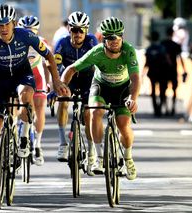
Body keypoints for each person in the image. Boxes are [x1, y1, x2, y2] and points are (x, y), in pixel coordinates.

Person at [0, 4, 69, 196]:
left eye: (6, 24)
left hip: (22, 76)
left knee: (26, 94)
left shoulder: (26, 35)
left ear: (13, 23)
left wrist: (56, 81)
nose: (3, 28)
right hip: (0, 80)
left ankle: (24, 137)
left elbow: (49, 56)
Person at [61, 17, 140, 180]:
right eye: (110, 37)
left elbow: (136, 78)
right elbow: (71, 69)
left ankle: (128, 158)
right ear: (103, 39)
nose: (115, 41)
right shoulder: (96, 53)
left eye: (118, 36)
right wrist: (61, 87)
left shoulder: (128, 50)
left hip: (122, 88)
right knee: (95, 112)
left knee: (123, 125)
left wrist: (133, 98)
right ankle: (99, 157)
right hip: (101, 86)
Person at [51, 11, 98, 175]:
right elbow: (56, 68)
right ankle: (63, 143)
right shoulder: (62, 43)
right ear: (69, 29)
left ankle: (92, 151)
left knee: (88, 114)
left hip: (88, 79)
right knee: (63, 100)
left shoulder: (92, 41)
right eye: (74, 30)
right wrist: (53, 89)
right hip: (69, 78)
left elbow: (99, 64)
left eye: (81, 30)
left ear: (86, 31)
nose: (77, 34)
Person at [17, 15, 51, 166]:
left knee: (39, 108)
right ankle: (20, 134)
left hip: (37, 77)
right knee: (23, 105)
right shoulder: (15, 42)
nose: (28, 34)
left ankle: (37, 144)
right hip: (20, 78)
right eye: (25, 30)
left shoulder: (41, 42)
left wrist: (48, 82)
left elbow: (47, 63)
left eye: (31, 31)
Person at [143, 31, 169, 117]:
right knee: (162, 90)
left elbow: (146, 62)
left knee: (153, 90)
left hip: (152, 72)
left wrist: (143, 72)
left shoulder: (149, 49)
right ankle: (160, 107)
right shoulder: (162, 48)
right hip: (162, 72)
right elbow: (166, 60)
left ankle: (155, 108)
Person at [161, 27, 186, 115]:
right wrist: (184, 69)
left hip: (164, 70)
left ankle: (166, 108)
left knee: (163, 89)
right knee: (174, 89)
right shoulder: (176, 45)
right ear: (173, 34)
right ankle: (173, 107)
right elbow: (180, 58)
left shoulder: (162, 44)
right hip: (173, 70)